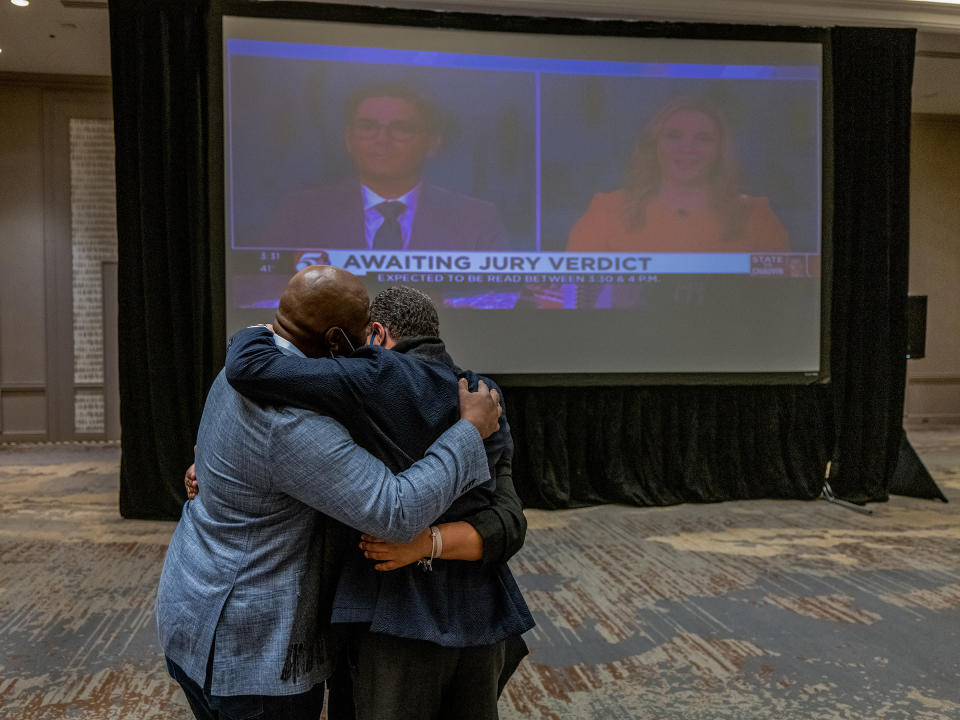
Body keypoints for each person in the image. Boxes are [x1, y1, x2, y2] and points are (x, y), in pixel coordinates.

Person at [157, 266, 502, 720]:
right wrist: (469, 432)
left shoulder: (240, 371)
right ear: (338, 341)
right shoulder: (294, 423)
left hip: (191, 609)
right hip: (252, 651)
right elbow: (395, 511)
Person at [261, 83, 507, 252]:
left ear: (432, 143)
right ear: (349, 139)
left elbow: (497, 301)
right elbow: (260, 294)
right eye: (368, 126)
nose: (382, 139)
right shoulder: (300, 212)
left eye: (401, 128)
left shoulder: (476, 218)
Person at [567, 95, 790, 253]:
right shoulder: (607, 210)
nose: (688, 148)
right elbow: (566, 299)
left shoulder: (756, 215)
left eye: (703, 138)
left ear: (719, 150)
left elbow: (784, 304)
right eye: (674, 136)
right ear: (654, 145)